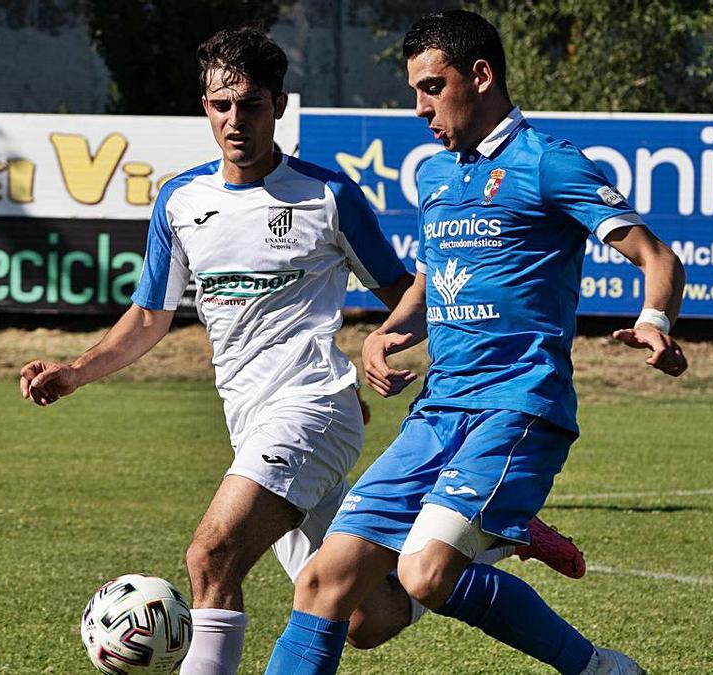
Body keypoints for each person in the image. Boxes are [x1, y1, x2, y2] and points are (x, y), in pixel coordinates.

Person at [19, 26, 585, 675]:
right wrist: (75, 371)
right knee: (362, 616)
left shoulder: (326, 196)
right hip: (251, 421)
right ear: (204, 107)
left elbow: (416, 292)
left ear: (279, 105)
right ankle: (486, 543)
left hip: (313, 411)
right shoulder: (181, 200)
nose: (235, 120)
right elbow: (150, 317)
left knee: (213, 554)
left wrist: (395, 351)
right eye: (220, 105)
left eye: (251, 104)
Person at [265, 10, 687, 675]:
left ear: (480, 75)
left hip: (517, 408)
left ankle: (596, 665)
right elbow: (433, 284)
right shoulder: (435, 178)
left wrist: (656, 321)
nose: (419, 107)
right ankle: (494, 532)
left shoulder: (546, 162)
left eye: (432, 87)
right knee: (330, 593)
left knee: (426, 571)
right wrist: (388, 332)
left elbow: (656, 254)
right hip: (437, 413)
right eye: (414, 91)